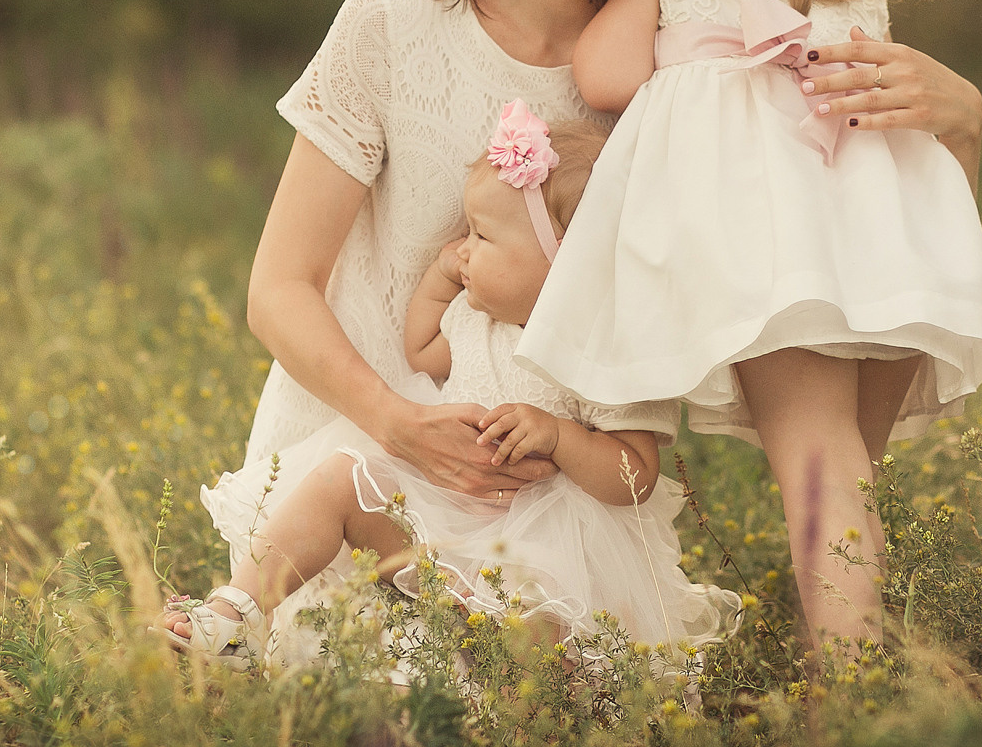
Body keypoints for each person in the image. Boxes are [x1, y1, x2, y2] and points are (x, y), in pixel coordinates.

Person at [183, 0, 982, 660]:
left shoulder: (691, 80)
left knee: (538, 703)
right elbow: (277, 291)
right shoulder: (392, 14)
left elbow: (831, 324)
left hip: (563, 498)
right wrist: (401, 423)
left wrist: (963, 118)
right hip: (361, 472)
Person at [516, 0, 982, 655]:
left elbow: (607, 76)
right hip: (884, 249)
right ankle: (852, 635)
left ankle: (846, 677)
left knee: (818, 462)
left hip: (782, 259)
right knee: (847, 460)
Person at [170, 102, 739, 667]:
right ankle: (235, 613)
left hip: (550, 552)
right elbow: (421, 349)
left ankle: (524, 701)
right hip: (445, 519)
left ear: (565, 265)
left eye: (482, 237)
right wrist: (444, 280)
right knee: (342, 477)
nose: (461, 248)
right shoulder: (476, 320)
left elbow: (635, 475)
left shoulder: (603, 351)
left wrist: (561, 437)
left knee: (546, 647)